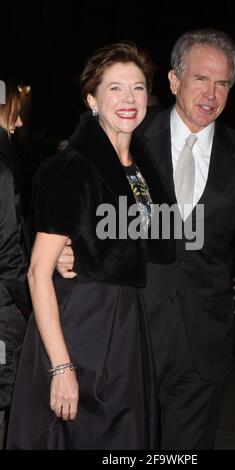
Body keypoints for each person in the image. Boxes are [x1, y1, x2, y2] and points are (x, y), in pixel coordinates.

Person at [57, 29, 235, 449]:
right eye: (201, 79)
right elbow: (76, 198)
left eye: (223, 83)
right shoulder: (126, 133)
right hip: (131, 331)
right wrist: (65, 245)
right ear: (173, 81)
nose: (211, 93)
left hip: (203, 341)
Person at [6, 42, 175, 450]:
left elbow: (150, 243)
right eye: (114, 88)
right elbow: (37, 273)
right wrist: (61, 368)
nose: (128, 99)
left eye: (137, 88)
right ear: (91, 99)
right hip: (79, 327)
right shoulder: (74, 167)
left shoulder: (142, 170)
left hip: (128, 331)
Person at [0, 83, 30, 433]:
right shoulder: (3, 170)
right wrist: (32, 301)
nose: (20, 123)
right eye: (14, 113)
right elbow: (8, 251)